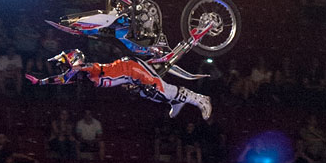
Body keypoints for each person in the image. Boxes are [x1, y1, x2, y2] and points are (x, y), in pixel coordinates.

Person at [26, 49, 212, 120]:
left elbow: (78, 68)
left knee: (159, 89)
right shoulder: (83, 75)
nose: (65, 71)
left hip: (133, 68)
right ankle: (175, 100)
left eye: (65, 67)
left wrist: (70, 62)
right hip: (132, 78)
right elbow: (63, 79)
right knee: (147, 94)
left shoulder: (90, 69)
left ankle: (200, 99)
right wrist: (41, 82)